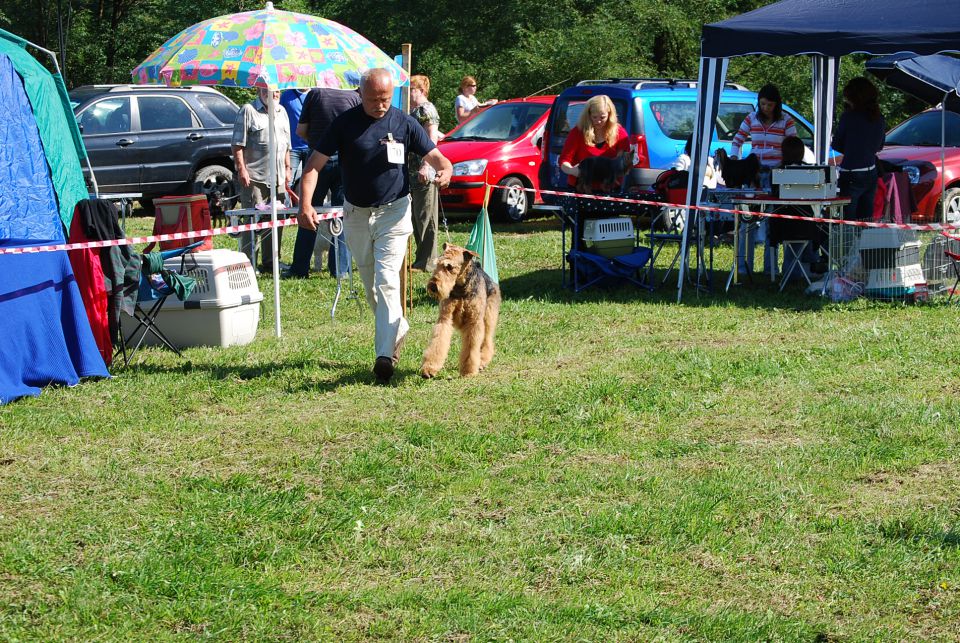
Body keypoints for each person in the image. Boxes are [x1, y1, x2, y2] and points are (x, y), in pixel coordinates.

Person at [298, 68, 453, 385]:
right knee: (371, 286)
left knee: (385, 281)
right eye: (372, 100)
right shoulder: (344, 123)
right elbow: (313, 165)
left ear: (392, 94)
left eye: (384, 99)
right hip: (355, 214)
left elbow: (438, 157)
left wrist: (445, 170)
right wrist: (305, 204)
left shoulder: (404, 122)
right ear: (360, 94)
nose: (379, 105)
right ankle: (398, 327)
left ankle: (385, 356)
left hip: (394, 213)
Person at [284, 87, 362, 279]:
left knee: (308, 213)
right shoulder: (354, 97)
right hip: (345, 161)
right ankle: (340, 270)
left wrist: (320, 141)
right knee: (341, 214)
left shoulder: (315, 94)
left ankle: (300, 268)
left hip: (316, 161)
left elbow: (301, 130)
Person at [232, 87, 292, 273]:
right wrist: (242, 169)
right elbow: (237, 144)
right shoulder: (248, 110)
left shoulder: (282, 112)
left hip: (279, 178)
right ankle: (248, 263)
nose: (274, 95)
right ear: (260, 91)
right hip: (254, 177)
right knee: (251, 220)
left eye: (277, 92)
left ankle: (271, 263)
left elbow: (286, 145)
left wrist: (288, 169)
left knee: (275, 221)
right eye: (270, 91)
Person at [832, 76, 886, 221]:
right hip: (871, 171)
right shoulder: (879, 118)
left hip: (851, 173)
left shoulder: (848, 117)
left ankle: (848, 244)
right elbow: (879, 146)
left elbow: (836, 144)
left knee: (848, 220)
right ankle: (862, 243)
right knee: (865, 219)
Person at [558, 94, 631, 192]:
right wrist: (574, 171)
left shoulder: (620, 133)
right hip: (581, 187)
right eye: (594, 117)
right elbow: (564, 161)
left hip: (609, 189)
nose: (598, 121)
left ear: (610, 115)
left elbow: (623, 163)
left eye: (602, 117)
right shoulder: (577, 132)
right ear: (588, 116)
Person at [409, 74, 442, 272]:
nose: (408, 92)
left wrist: (426, 166)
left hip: (423, 171)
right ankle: (421, 259)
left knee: (425, 216)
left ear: (421, 91)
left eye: (412, 89)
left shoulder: (426, 109)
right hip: (412, 171)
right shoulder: (413, 111)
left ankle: (427, 261)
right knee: (416, 217)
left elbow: (432, 139)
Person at [730, 84, 798, 168]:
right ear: (758, 102)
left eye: (770, 105)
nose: (765, 108)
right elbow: (737, 140)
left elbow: (792, 146)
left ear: (776, 105)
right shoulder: (751, 118)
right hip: (754, 168)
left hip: (777, 168)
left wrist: (787, 163)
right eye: (762, 104)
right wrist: (733, 157)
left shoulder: (786, 120)